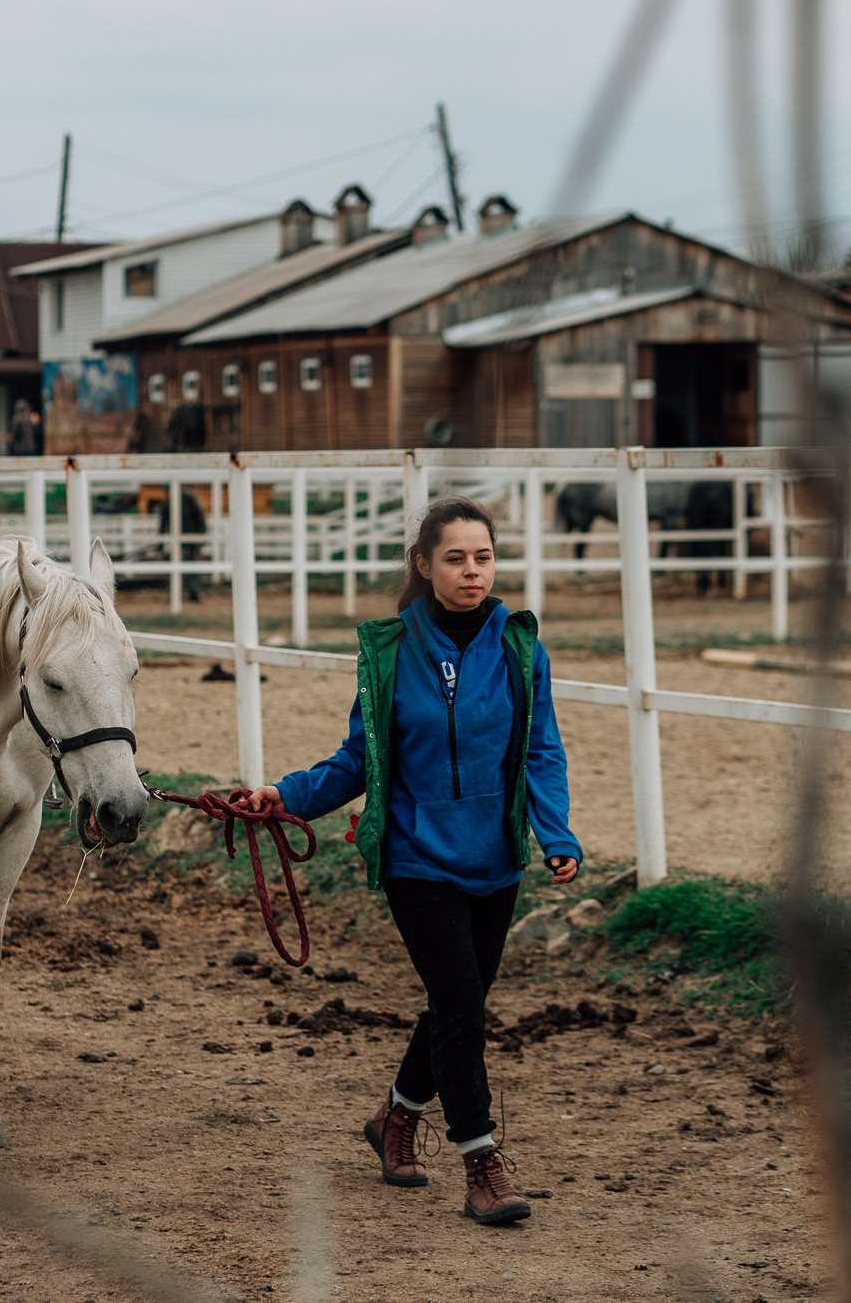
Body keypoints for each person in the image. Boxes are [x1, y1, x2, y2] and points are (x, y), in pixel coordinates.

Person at [248, 498, 583, 1226]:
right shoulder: (391, 650)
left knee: (453, 1007)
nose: (472, 570)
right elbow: (357, 759)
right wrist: (287, 797)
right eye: (456, 557)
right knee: (462, 1006)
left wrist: (555, 833)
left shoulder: (521, 644)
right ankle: (481, 1160)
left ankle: (394, 1118)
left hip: (497, 858)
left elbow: (540, 749)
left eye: (484, 557)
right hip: (417, 860)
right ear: (425, 565)